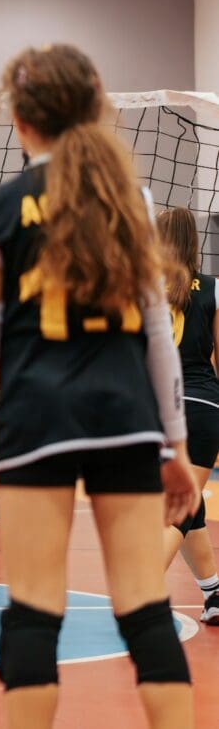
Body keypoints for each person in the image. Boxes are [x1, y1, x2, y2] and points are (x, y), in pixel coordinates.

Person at [0, 44, 197, 728]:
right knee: (145, 608)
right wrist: (175, 444)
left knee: (33, 610)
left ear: (20, 121)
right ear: (93, 111)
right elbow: (158, 334)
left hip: (37, 420)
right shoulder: (131, 201)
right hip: (125, 417)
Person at [156, 207, 219, 624]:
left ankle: (213, 593)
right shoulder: (213, 289)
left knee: (185, 505)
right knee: (182, 505)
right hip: (200, 407)